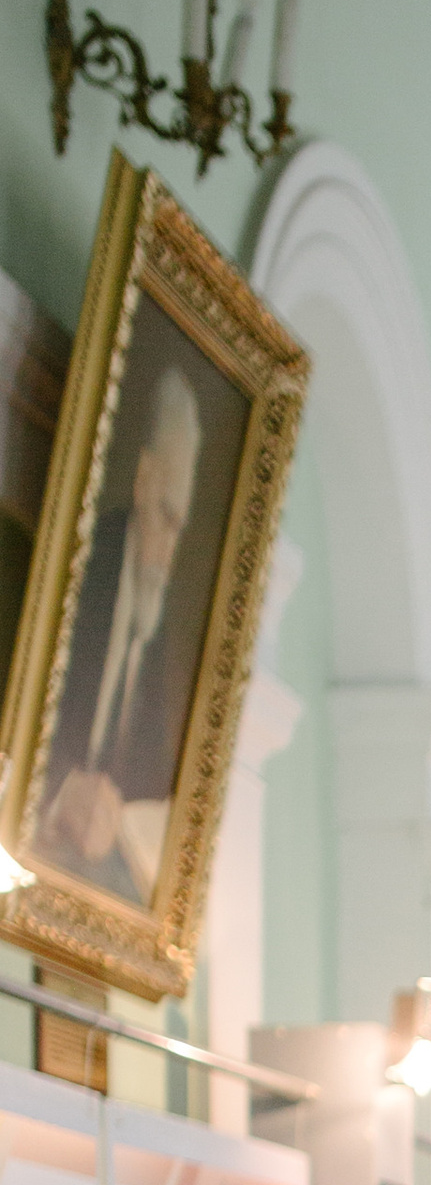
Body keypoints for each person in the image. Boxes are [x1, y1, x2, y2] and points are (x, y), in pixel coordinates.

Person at [39, 364, 207, 904]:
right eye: (163, 514)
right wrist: (62, 790)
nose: (166, 549)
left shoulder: (158, 629)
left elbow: (151, 782)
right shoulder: (77, 567)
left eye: (179, 525)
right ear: (141, 480)